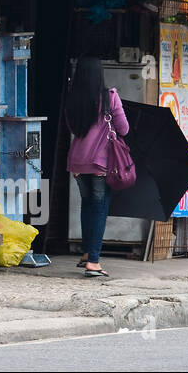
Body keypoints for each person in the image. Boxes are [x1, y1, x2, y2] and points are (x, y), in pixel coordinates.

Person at [64, 56, 128, 278]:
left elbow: (71, 127)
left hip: (78, 161)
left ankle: (86, 252)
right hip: (100, 162)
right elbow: (124, 128)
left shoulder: (72, 98)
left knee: (87, 205)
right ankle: (93, 262)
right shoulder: (109, 97)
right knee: (100, 208)